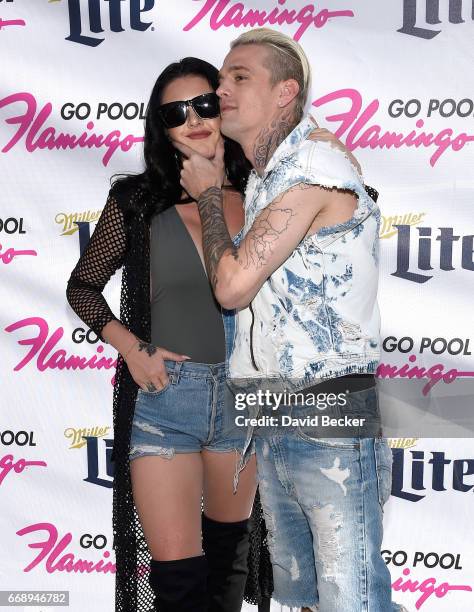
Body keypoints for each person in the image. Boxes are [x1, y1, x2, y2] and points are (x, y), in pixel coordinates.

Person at [177, 30, 408, 612]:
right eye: (221, 78)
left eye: (239, 77)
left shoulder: (310, 167)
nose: (219, 89)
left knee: (350, 599)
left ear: (286, 92)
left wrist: (207, 195)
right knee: (304, 597)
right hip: (277, 410)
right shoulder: (270, 174)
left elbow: (231, 287)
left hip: (328, 409)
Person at [66, 57, 273, 612]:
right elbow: (82, 287)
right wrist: (131, 348)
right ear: (162, 126)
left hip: (243, 402)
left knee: (227, 575)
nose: (194, 119)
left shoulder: (267, 195)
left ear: (225, 104)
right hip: (165, 400)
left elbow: (352, 205)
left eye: (204, 103)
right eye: (175, 113)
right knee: (179, 586)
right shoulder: (137, 201)